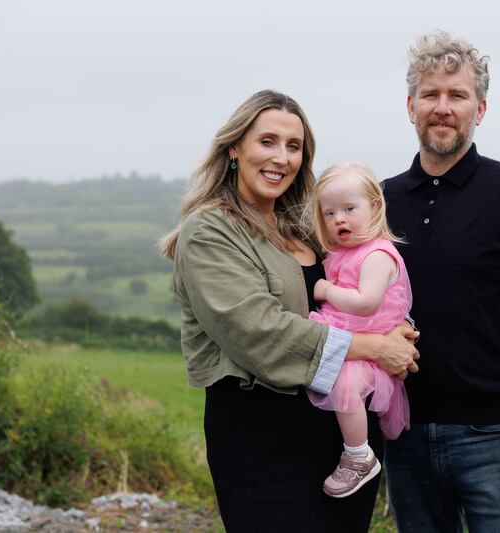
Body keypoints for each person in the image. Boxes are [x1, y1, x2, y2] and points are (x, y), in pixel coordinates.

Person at [159, 90, 418, 533]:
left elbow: (364, 287)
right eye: (268, 142)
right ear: (235, 148)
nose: (281, 157)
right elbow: (259, 332)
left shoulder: (308, 228)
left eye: (293, 146)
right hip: (262, 436)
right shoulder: (211, 231)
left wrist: (400, 331)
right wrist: (375, 347)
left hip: (344, 441)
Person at [382, 32, 500, 533]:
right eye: (430, 94)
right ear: (411, 106)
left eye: (458, 95)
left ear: (480, 109)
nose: (443, 108)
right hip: (405, 437)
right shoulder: (381, 202)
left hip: (497, 440)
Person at [305, 162, 412, 498]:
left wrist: (326, 290)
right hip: (352, 335)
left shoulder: (377, 254)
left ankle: (358, 455)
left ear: (375, 207)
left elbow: (366, 303)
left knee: (346, 386)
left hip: (371, 338)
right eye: (330, 213)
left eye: (349, 209)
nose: (339, 219)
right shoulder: (341, 253)